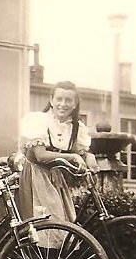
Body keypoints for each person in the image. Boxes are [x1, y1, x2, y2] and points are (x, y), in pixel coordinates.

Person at [18, 80, 99, 223]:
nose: (63, 104)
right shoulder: (39, 121)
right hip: (35, 175)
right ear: (51, 100)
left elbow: (80, 152)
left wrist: (89, 157)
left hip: (57, 179)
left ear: (75, 104)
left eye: (68, 100)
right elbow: (40, 155)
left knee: (65, 222)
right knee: (46, 222)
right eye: (59, 99)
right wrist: (72, 157)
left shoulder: (75, 128)